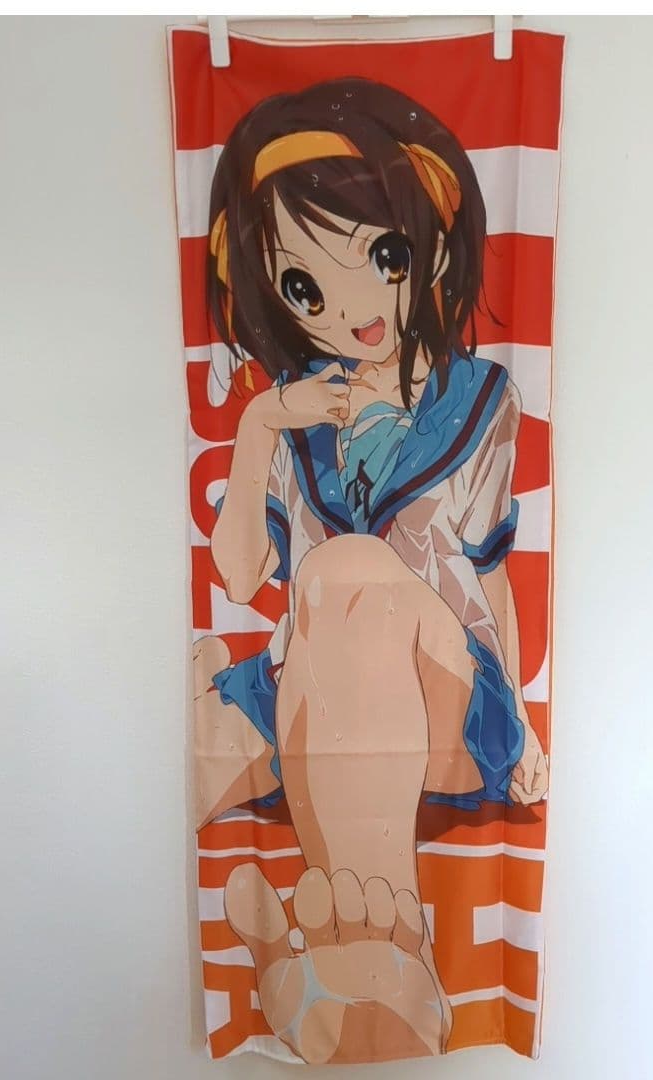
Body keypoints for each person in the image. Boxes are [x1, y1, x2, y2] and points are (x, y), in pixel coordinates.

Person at [192, 76, 548, 1064]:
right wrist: (258, 426)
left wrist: (519, 718)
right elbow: (238, 578)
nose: (350, 308)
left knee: (350, 568)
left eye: (383, 256)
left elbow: (488, 567)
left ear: (428, 250)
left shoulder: (477, 398)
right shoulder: (290, 406)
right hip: (310, 683)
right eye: (305, 287)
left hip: (442, 688)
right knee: (196, 719)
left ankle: (388, 947)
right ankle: (303, 963)